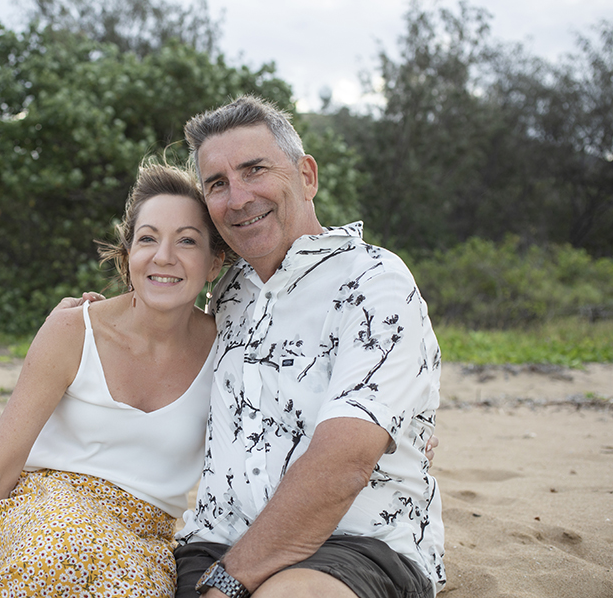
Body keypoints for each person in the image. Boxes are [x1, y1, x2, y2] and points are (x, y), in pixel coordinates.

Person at [169, 95, 445, 598]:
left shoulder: (374, 280)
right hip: (217, 540)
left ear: (307, 176)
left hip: (353, 543)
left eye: (255, 170)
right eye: (217, 184)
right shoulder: (228, 293)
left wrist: (226, 587)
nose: (237, 198)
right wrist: (91, 316)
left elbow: (344, 462)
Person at [0, 162, 227, 598]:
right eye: (147, 238)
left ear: (215, 262)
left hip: (142, 543)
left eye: (186, 240)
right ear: (127, 255)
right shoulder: (74, 331)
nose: (163, 256)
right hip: (44, 512)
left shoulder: (228, 352)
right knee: (58, 552)